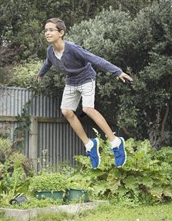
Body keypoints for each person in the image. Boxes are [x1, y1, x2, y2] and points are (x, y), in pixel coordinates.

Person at [36, 18, 133, 169]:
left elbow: (94, 59)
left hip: (86, 78)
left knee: (88, 109)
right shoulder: (50, 51)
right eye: (46, 30)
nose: (47, 33)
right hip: (71, 81)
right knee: (66, 112)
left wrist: (117, 71)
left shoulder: (73, 48)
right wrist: (41, 74)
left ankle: (115, 142)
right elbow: (48, 62)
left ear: (61, 33)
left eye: (51, 30)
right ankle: (90, 145)